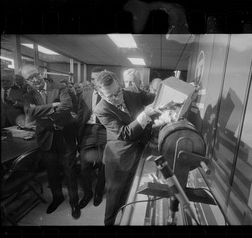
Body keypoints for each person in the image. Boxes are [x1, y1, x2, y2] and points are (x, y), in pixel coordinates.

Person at [93, 71, 159, 225]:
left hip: (139, 152)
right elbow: (125, 133)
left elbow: (156, 98)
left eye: (118, 92)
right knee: (114, 198)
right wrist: (145, 115)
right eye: (111, 96)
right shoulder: (101, 109)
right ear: (101, 95)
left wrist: (182, 93)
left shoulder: (130, 93)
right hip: (119, 158)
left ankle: (126, 220)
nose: (117, 98)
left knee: (129, 195)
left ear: (120, 85)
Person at [20, 64, 81, 219]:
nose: (34, 80)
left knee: (69, 171)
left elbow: (67, 105)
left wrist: (42, 112)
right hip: (46, 137)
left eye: (35, 75)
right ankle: (57, 197)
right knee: (51, 171)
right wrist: (53, 105)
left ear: (40, 73)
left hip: (65, 136)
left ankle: (74, 202)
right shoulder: (28, 96)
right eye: (29, 78)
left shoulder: (59, 86)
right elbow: (29, 112)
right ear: (26, 81)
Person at [77, 66, 107, 209]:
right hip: (88, 131)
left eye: (98, 79)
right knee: (84, 165)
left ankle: (98, 193)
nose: (95, 82)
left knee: (103, 164)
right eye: (93, 79)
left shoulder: (110, 93)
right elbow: (80, 115)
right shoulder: (85, 93)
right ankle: (87, 193)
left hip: (104, 131)